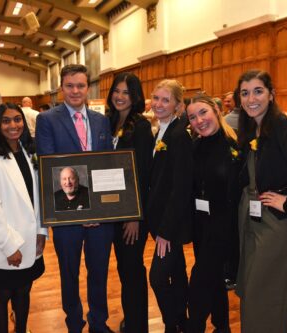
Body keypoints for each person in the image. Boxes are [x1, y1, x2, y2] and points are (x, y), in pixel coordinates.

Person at [235, 70, 287, 333]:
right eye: (245, 93)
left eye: (258, 91)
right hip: (252, 219)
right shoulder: (249, 128)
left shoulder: (283, 125)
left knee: (268, 291)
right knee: (251, 289)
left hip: (276, 225)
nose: (251, 99)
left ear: (271, 95)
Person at [36, 64, 114, 333]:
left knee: (99, 272)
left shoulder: (101, 120)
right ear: (61, 89)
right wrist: (80, 211)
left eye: (80, 85)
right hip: (66, 211)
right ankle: (74, 323)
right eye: (69, 86)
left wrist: (96, 210)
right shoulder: (47, 120)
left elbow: (105, 166)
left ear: (88, 87)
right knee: (69, 273)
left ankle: (99, 322)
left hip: (100, 218)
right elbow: (49, 166)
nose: (75, 91)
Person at [0, 103, 48, 333]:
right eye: (6, 121)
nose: (13, 125)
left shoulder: (27, 152)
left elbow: (36, 197)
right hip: (5, 241)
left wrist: (41, 231)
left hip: (30, 238)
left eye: (17, 119)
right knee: (3, 294)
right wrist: (9, 246)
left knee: (24, 290)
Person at [186, 94, 242, 333]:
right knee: (214, 279)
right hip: (201, 226)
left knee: (199, 282)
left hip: (224, 228)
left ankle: (194, 327)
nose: (199, 120)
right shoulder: (195, 146)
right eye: (192, 117)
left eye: (203, 113)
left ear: (216, 111)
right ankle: (222, 327)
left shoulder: (234, 146)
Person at [106, 72, 153, 333]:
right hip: (111, 210)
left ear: (135, 97)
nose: (120, 96)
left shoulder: (142, 126)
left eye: (126, 92)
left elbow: (143, 173)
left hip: (131, 214)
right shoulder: (109, 123)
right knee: (124, 269)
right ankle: (131, 319)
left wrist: (135, 215)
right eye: (117, 91)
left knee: (133, 271)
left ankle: (138, 327)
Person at [147, 79, 193, 333]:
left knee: (158, 277)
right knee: (177, 272)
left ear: (178, 105)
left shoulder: (178, 135)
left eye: (166, 100)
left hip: (171, 224)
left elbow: (181, 187)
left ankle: (171, 322)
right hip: (162, 221)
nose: (159, 104)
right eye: (156, 98)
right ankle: (181, 322)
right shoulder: (161, 130)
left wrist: (166, 230)